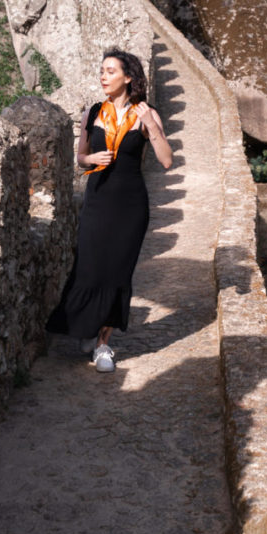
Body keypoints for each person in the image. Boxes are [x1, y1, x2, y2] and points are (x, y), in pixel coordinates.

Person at [46, 48, 172, 371]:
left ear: (128, 77)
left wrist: (151, 126)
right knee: (89, 266)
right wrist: (92, 160)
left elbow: (167, 160)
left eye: (111, 71)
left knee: (118, 272)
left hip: (130, 207)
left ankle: (103, 345)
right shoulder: (94, 113)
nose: (103, 76)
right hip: (98, 201)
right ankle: (84, 326)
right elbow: (81, 158)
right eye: (101, 71)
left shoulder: (146, 113)